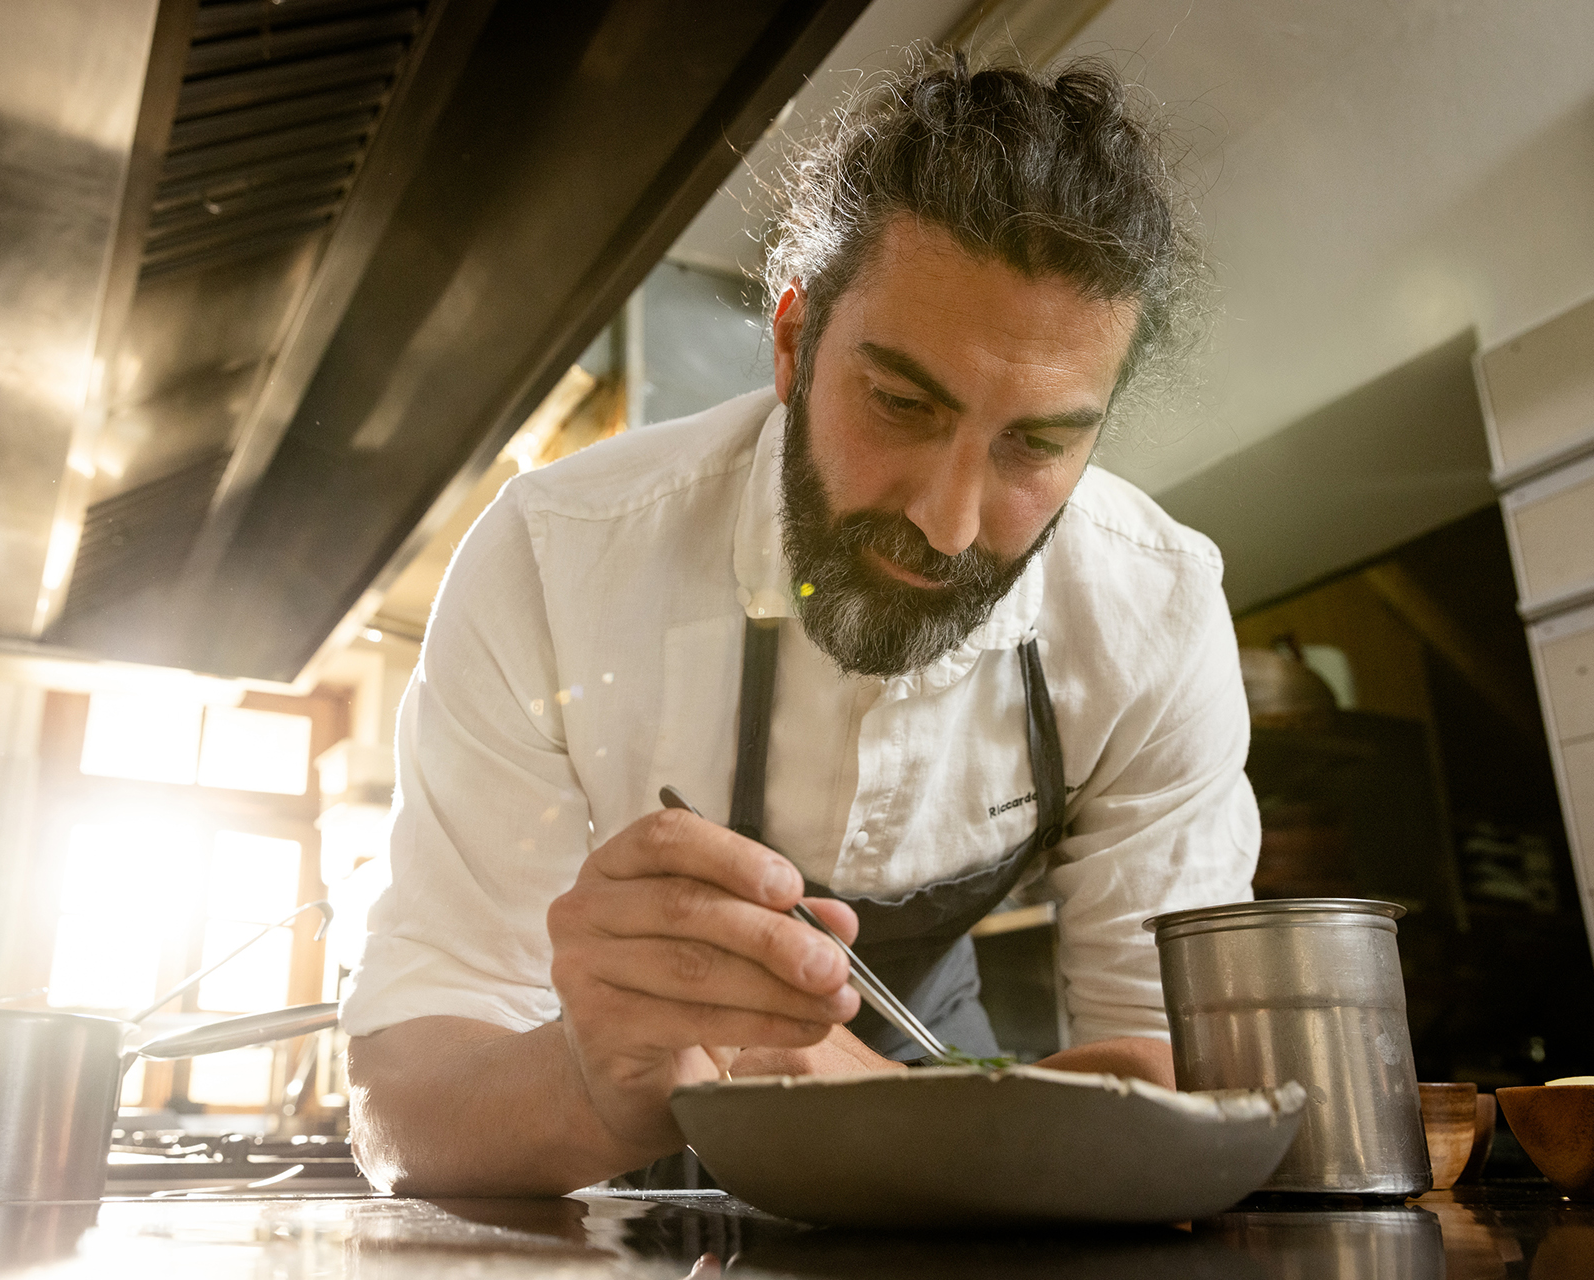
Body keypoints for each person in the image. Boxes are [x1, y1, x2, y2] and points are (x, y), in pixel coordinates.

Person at [340, 51, 1257, 1196]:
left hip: (944, 1076)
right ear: (791, 343)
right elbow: (406, 1098)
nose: (948, 517)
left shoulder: (1154, 613)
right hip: (613, 1133)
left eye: (1035, 444)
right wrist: (590, 1085)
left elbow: (1175, 1073)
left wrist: (876, 1097)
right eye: (900, 403)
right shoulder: (551, 555)